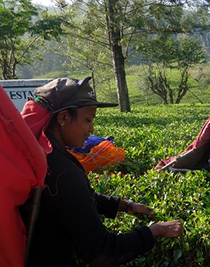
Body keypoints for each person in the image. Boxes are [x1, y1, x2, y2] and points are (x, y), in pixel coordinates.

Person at [20, 77, 183, 267]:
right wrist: (154, 231)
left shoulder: (44, 154)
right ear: (63, 117)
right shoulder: (62, 171)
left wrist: (124, 205)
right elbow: (103, 254)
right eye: (88, 120)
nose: (92, 129)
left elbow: (76, 200)